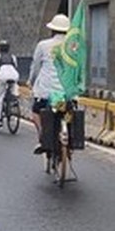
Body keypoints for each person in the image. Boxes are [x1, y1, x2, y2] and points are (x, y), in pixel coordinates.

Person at [29, 14, 71, 154]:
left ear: (52, 30)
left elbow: (35, 66)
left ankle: (42, 136)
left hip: (46, 93)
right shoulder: (73, 46)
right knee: (67, 113)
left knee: (36, 112)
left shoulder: (43, 45)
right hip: (65, 94)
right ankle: (68, 133)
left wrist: (31, 81)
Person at [0, 40, 20, 129]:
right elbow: (15, 66)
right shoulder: (13, 57)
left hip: (2, 76)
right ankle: (13, 101)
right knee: (14, 88)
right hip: (14, 75)